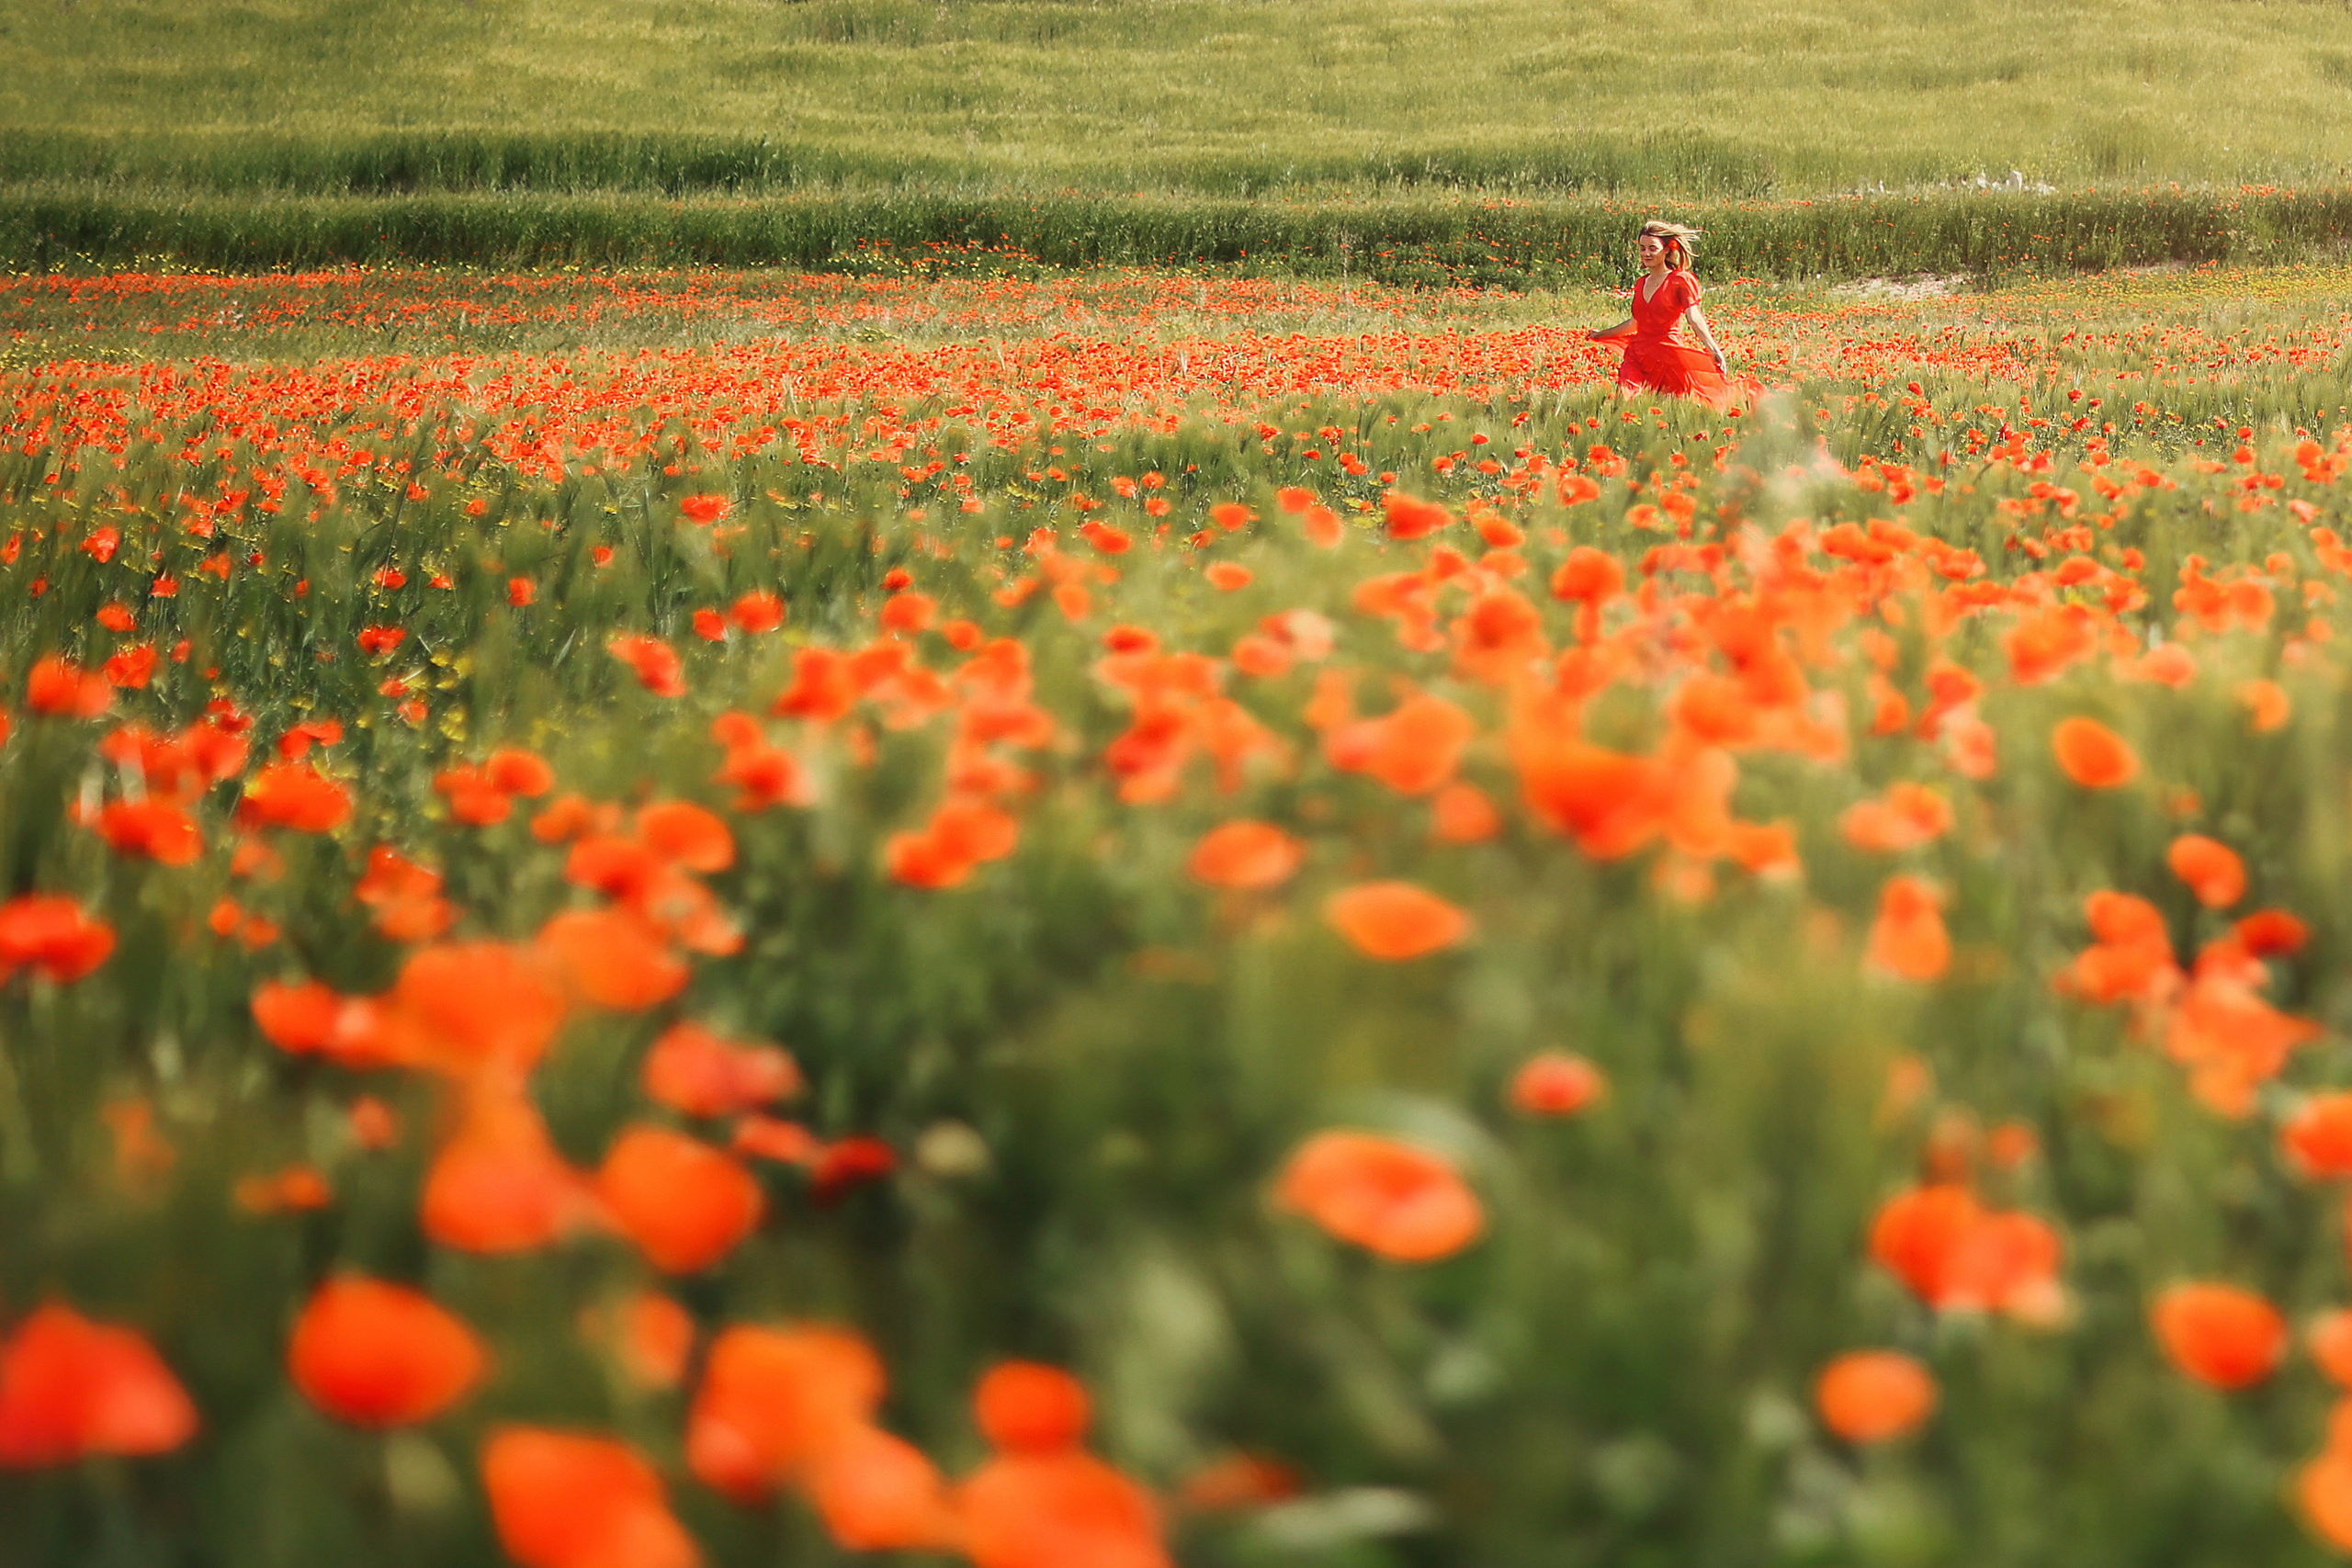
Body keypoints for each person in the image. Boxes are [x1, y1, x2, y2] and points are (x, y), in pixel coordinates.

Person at [1587, 220, 1749, 409]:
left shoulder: (1681, 280)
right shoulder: (1641, 283)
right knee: (1624, 399)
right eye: (1642, 248)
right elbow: (1635, 323)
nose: (1646, 253)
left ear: (1666, 250)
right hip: (1638, 355)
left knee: (1679, 403)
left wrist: (1713, 349)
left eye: (1652, 248)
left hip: (1668, 355)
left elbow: (1694, 317)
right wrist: (1601, 334)